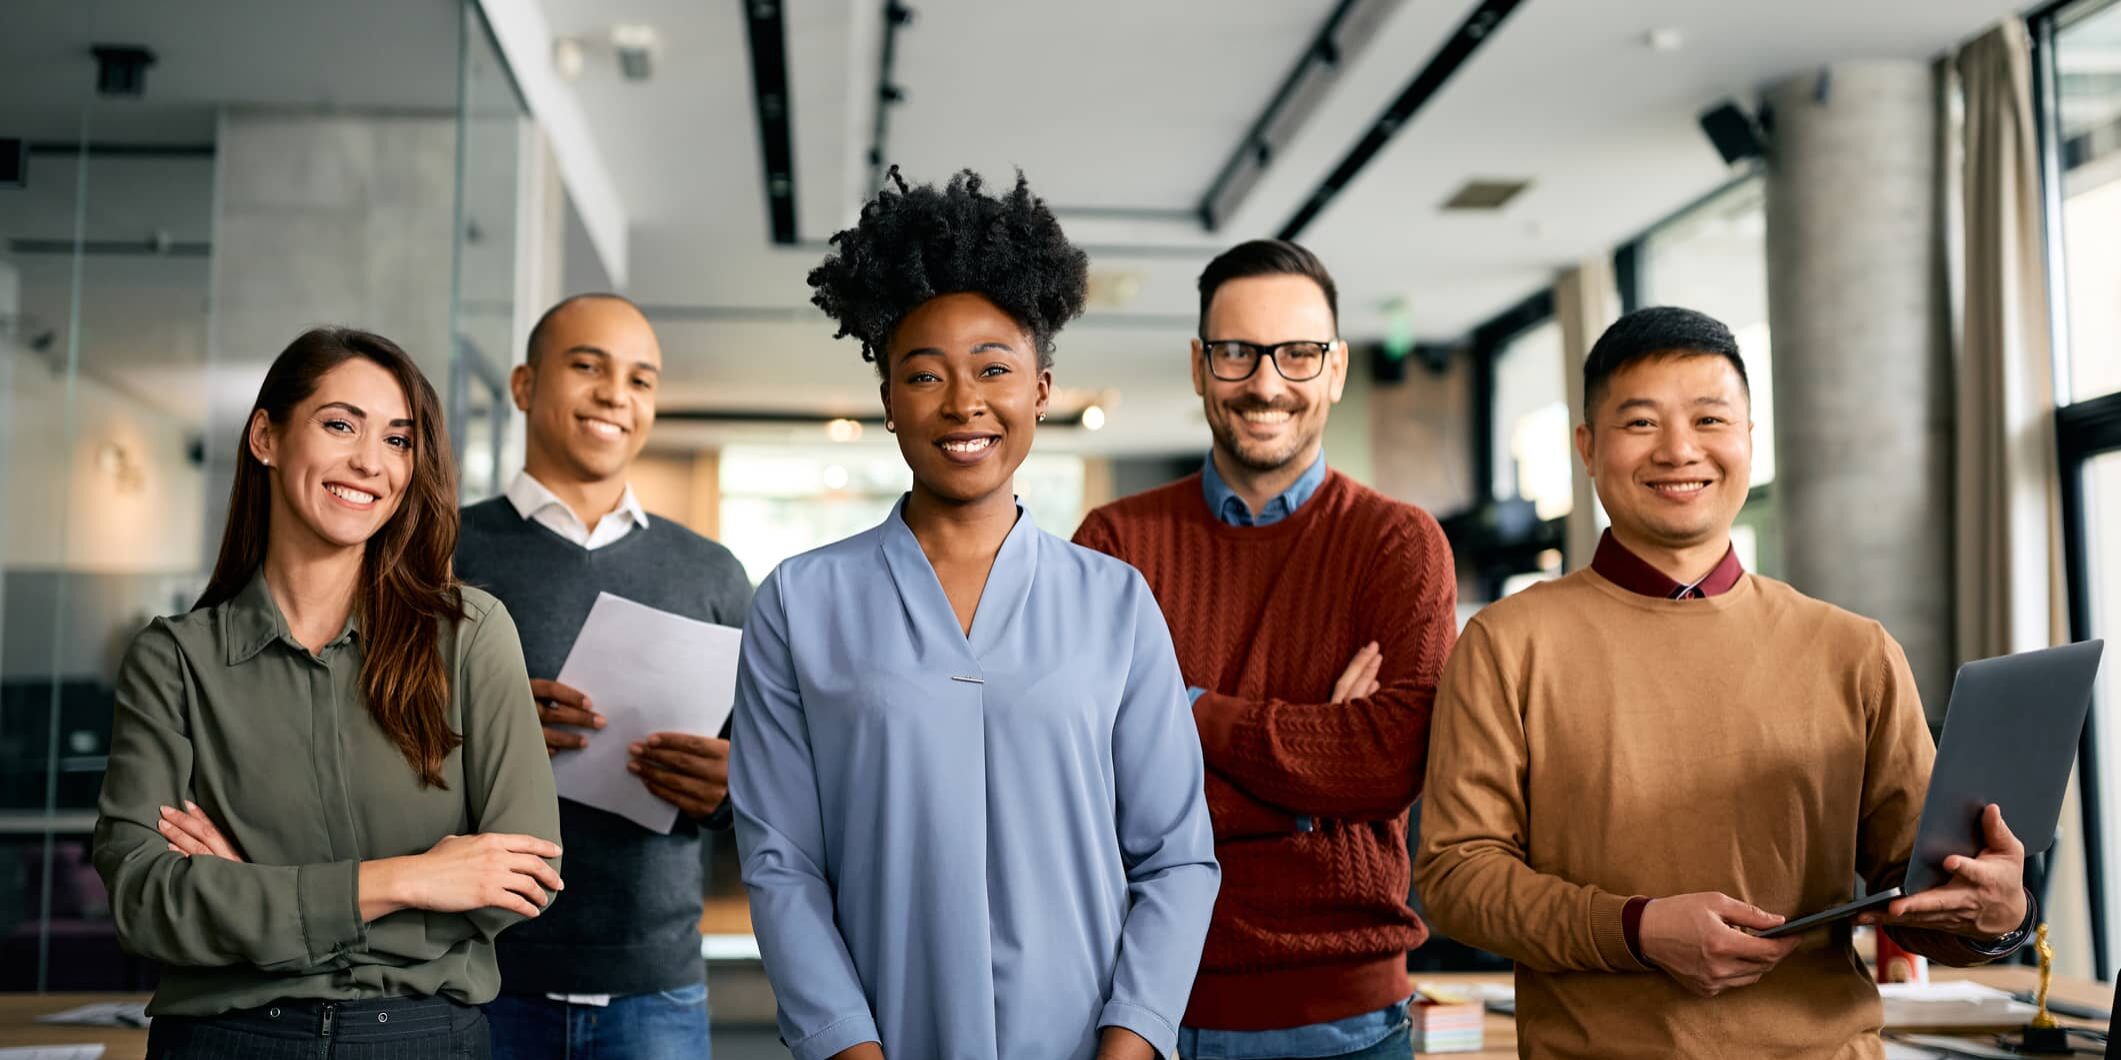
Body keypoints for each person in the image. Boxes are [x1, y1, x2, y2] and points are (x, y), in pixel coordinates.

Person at [1413, 306, 2036, 1059]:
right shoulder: (1506, 644)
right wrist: (1636, 929)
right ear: (1586, 447)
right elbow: (1455, 877)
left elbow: (1919, 897)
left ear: (1748, 439)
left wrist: (2000, 915)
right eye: (1640, 423)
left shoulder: (1854, 651)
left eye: (1710, 419)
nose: (1679, 450)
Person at [729, 168, 1220, 1060]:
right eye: (924, 374)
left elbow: (1176, 857)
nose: (963, 403)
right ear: (886, 399)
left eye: (994, 368)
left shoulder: (1114, 603)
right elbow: (780, 863)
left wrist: (1130, 1042)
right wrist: (849, 1048)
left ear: (1039, 388)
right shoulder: (799, 604)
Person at [94, 328, 562, 1059]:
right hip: (225, 1043)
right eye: (340, 424)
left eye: (399, 440)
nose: (371, 462)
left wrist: (255, 897)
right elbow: (146, 903)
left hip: (421, 1041)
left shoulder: (469, 635)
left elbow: (522, 878)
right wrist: (416, 878)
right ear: (265, 437)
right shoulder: (174, 660)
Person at [1072, 238, 1458, 1060]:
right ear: (1197, 364)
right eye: (1236, 353)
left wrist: (1187, 713)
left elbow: (1390, 766)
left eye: (1297, 353)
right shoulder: (1113, 543)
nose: (1265, 383)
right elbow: (1086, 786)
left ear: (1337, 369)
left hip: (1348, 1020)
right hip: (1145, 1011)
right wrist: (1312, 787)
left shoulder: (1397, 544)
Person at [455, 293, 755, 1058]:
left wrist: (732, 789)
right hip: (475, 977)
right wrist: (479, 730)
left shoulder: (711, 572)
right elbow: (364, 742)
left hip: (654, 990)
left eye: (640, 379)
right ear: (524, 385)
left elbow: (776, 773)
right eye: (587, 366)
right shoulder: (439, 553)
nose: (615, 395)